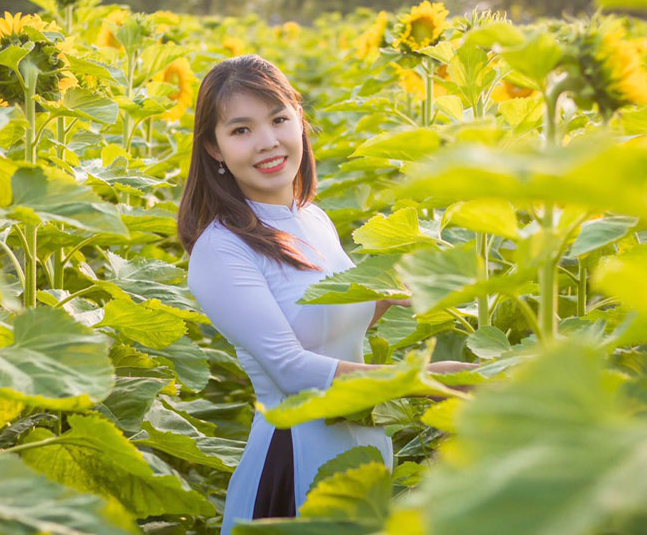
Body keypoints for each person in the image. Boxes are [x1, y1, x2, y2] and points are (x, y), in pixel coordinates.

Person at [177, 54, 475, 534]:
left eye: (278, 119)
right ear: (213, 148)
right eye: (241, 130)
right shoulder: (221, 251)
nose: (268, 142)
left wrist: (410, 288)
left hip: (362, 451)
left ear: (299, 119)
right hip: (293, 464)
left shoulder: (311, 217)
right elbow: (293, 371)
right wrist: (424, 380)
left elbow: (337, 322)